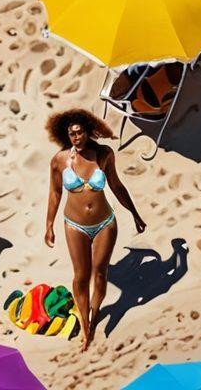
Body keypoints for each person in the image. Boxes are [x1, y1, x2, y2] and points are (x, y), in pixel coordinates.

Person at [44, 109, 146, 351]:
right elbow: (55, 192)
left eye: (79, 133)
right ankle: (86, 325)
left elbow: (116, 185)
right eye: (71, 134)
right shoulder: (59, 160)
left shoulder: (103, 154)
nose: (76, 138)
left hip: (104, 223)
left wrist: (134, 213)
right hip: (74, 225)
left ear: (88, 133)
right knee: (80, 276)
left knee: (99, 274)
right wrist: (48, 224)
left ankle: (95, 310)